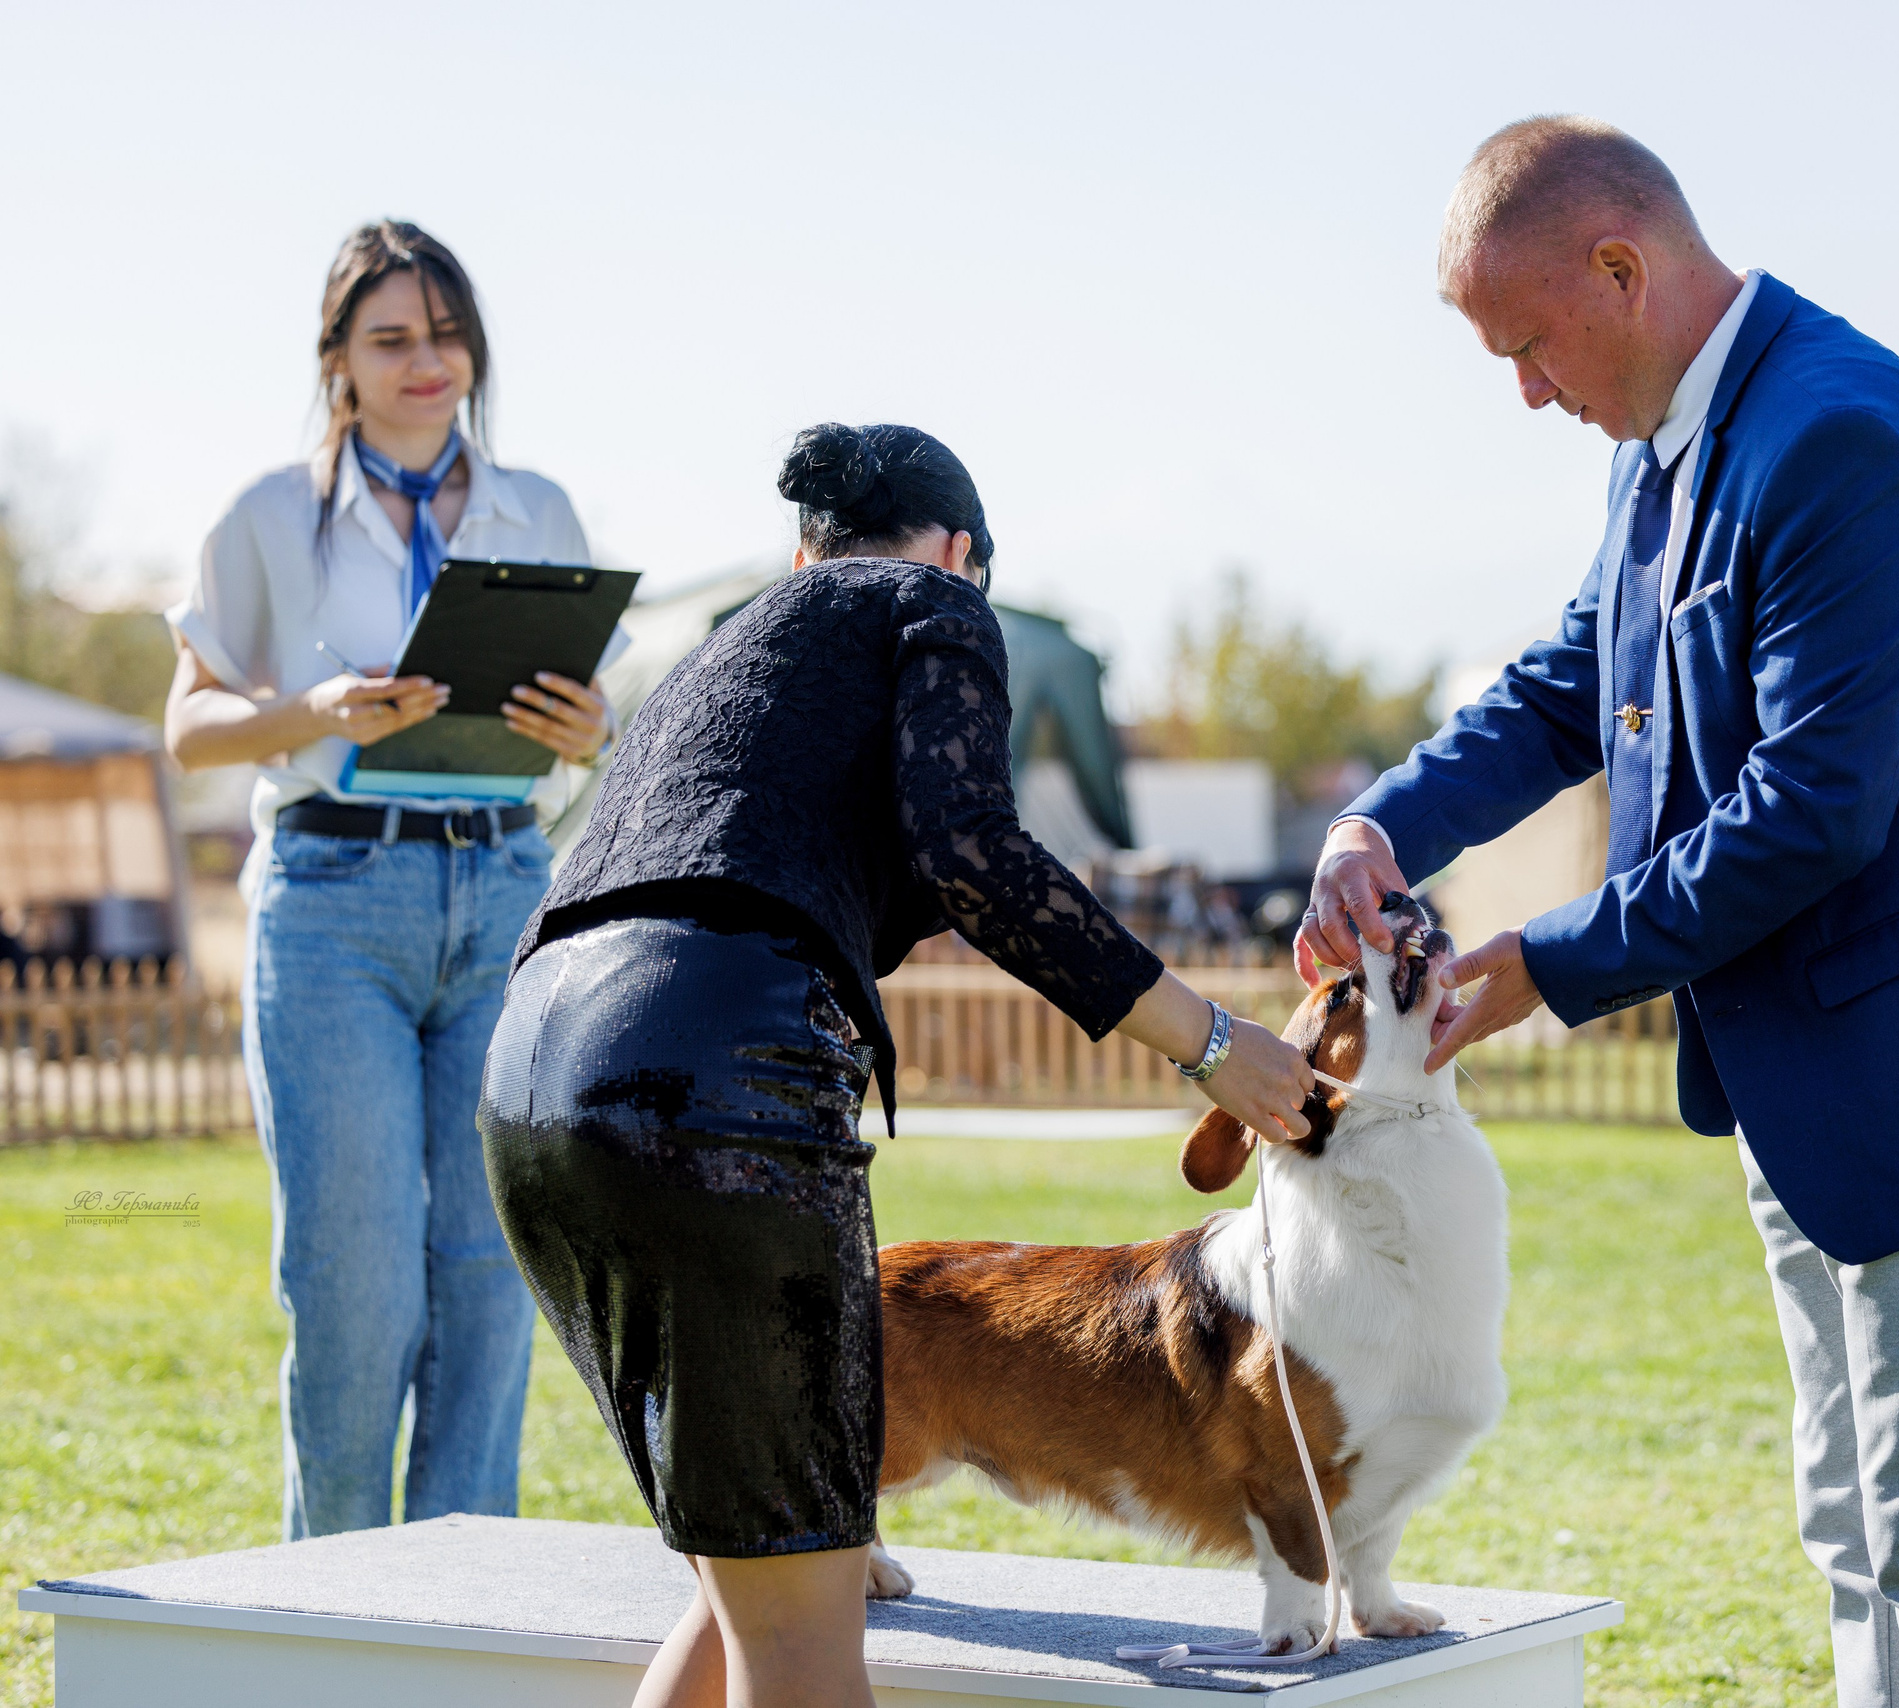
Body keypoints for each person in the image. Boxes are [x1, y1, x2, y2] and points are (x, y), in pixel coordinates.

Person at [1301, 118, 1899, 1708]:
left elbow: (1811, 810)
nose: (1528, 392)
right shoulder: (1662, 444)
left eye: (1530, 344)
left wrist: (1547, 963)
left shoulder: (1841, 439)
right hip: (1811, 1069)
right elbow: (1571, 687)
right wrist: (1380, 825)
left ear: (1621, 269)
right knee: (1856, 1519)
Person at [478, 422, 1317, 1708]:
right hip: (711, 1086)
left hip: (532, 1083)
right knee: (802, 1635)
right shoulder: (932, 602)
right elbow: (974, 854)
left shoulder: (725, 653)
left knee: (750, 1582)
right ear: (961, 550)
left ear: (803, 552)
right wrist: (1209, 1041)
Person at [163, 220, 621, 1539]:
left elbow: (589, 720)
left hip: (504, 889)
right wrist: (311, 711)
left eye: (449, 332)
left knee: (488, 1273)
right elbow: (188, 726)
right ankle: (335, 1598)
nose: (430, 361)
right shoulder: (266, 518)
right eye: (393, 338)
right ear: (338, 362)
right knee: (358, 1285)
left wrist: (588, 729)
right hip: (332, 904)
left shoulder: (541, 509)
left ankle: (455, 1610)